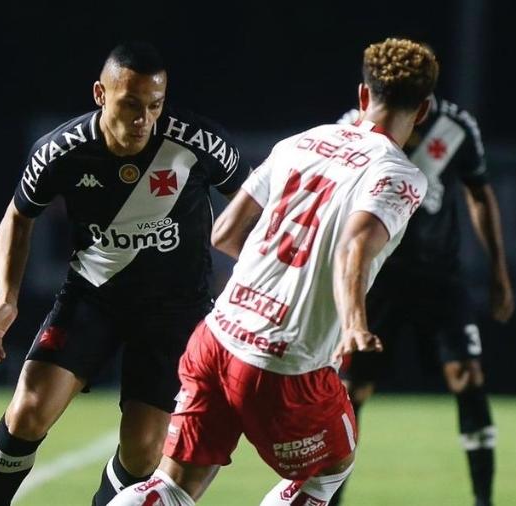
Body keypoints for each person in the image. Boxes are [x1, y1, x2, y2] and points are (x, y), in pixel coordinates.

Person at [109, 37, 436, 506]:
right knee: (329, 469)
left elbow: (224, 232)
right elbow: (356, 245)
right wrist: (356, 323)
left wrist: (271, 281)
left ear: (363, 96)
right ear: (422, 111)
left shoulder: (302, 141)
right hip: (283, 364)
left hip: (217, 336)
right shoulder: (401, 176)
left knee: (171, 486)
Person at [0, 41, 246, 506]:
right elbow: (17, 217)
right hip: (93, 298)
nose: (143, 118)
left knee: (142, 452)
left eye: (154, 106)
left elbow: (255, 202)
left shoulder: (197, 141)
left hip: (175, 311)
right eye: (130, 104)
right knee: (28, 411)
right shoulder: (61, 150)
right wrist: (7, 297)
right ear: (101, 93)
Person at [330, 93, 513, 506]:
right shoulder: (356, 125)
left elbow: (479, 193)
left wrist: (499, 272)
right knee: (352, 389)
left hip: (439, 277)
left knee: (467, 374)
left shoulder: (455, 127)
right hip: (378, 278)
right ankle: (329, 500)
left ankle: (484, 500)